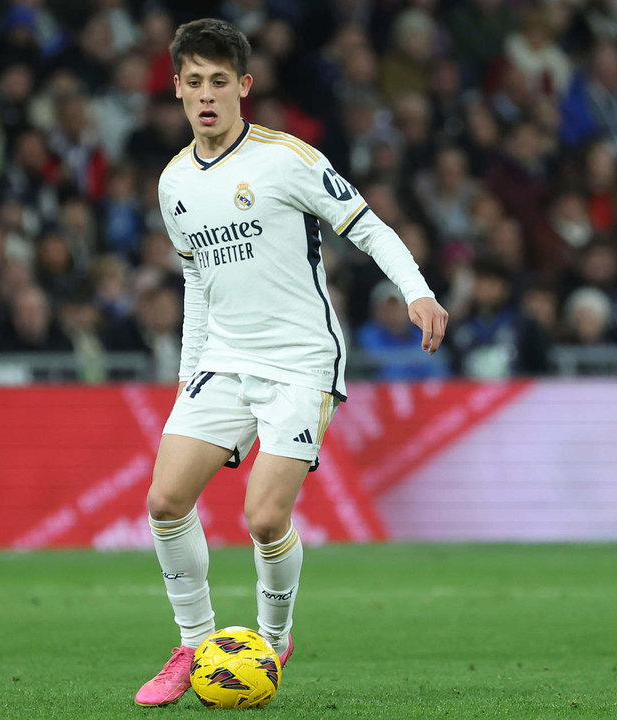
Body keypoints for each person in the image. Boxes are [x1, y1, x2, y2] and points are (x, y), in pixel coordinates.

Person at [135, 19, 447, 708]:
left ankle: (271, 645)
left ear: (244, 87)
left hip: (301, 361)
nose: (207, 95)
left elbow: (366, 223)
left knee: (264, 519)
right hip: (223, 358)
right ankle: (194, 645)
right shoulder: (174, 183)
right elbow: (196, 281)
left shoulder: (287, 159)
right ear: (179, 92)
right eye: (194, 83)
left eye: (220, 81)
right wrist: (191, 373)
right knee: (164, 502)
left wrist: (418, 292)